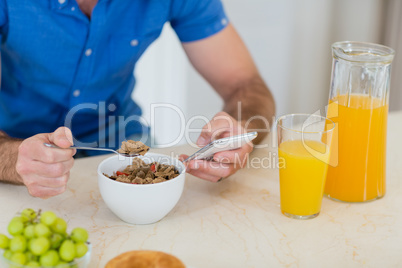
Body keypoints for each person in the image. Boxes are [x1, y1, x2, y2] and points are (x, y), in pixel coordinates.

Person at [0, 0, 275, 198]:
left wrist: (238, 135)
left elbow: (246, 85)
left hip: (120, 138)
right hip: (14, 145)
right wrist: (12, 158)